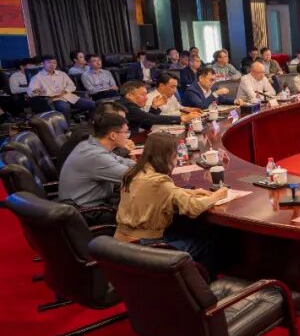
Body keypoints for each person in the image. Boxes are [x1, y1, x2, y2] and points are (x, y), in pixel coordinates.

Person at [114, 132, 228, 274]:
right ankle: (202, 283)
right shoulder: (160, 181)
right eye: (175, 156)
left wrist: (189, 192)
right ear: (167, 157)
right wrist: (218, 195)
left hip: (121, 241)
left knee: (185, 229)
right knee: (208, 240)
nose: (176, 160)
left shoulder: (132, 172)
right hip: (147, 246)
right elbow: (194, 207)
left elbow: (153, 192)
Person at [57, 112, 135, 221]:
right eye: (126, 132)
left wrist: (146, 164)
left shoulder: (90, 144)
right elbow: (133, 176)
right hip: (88, 213)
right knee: (142, 209)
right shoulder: (95, 156)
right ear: (113, 135)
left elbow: (121, 161)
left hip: (91, 204)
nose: (127, 136)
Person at [118, 80, 199, 134]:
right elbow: (152, 119)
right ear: (129, 95)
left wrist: (154, 107)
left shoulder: (129, 104)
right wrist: (182, 118)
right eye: (143, 95)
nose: (146, 98)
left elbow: (147, 124)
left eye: (146, 94)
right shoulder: (126, 106)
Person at [28, 55, 95, 119]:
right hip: (54, 99)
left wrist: (65, 90)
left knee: (92, 104)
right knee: (64, 107)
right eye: (49, 62)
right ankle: (66, 126)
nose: (52, 65)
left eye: (54, 63)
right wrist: (38, 91)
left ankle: (92, 121)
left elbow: (72, 86)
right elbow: (31, 91)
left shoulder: (62, 74)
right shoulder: (37, 77)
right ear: (43, 64)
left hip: (68, 96)